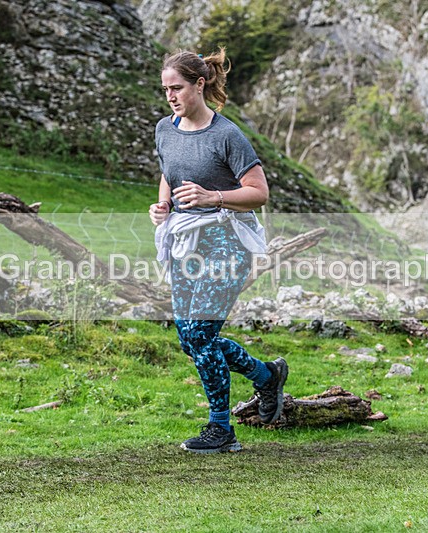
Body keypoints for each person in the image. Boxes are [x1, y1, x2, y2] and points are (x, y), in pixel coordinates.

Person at [149, 48, 288, 454]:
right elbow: (167, 171)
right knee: (190, 339)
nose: (171, 96)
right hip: (183, 241)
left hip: (226, 241)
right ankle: (265, 377)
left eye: (177, 88)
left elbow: (259, 193)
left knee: (199, 331)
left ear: (200, 84)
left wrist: (213, 196)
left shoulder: (227, 135)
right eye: (165, 90)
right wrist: (165, 204)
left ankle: (221, 428)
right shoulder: (165, 128)